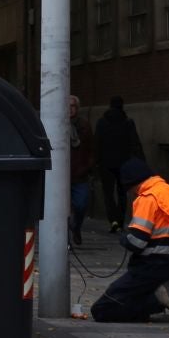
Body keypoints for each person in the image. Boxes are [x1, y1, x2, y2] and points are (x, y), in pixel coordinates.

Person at [90, 157, 169, 324]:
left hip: (148, 268)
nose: (132, 194)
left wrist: (124, 238)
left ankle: (159, 299)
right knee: (128, 300)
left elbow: (137, 242)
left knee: (102, 310)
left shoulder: (147, 198)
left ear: (133, 183)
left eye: (130, 189)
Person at [94, 97, 143, 233]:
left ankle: (113, 219)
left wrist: (96, 163)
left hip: (106, 163)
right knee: (122, 193)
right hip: (124, 164)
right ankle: (120, 220)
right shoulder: (127, 122)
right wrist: (141, 161)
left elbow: (97, 143)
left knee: (108, 194)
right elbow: (135, 144)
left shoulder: (102, 123)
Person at [68, 95, 95, 245]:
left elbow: (91, 148)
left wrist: (87, 167)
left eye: (72, 106)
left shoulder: (84, 126)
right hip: (62, 175)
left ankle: (76, 227)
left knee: (81, 204)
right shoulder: (57, 124)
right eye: (67, 106)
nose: (69, 109)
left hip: (80, 173)